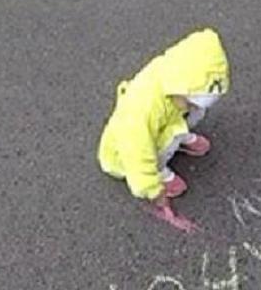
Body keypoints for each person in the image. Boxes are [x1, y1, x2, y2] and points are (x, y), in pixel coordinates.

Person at [98, 28, 230, 232]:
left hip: (163, 122)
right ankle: (161, 170)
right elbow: (136, 155)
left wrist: (189, 109)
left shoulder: (172, 76)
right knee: (151, 146)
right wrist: (154, 190)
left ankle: (178, 136)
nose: (192, 106)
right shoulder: (139, 114)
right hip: (124, 155)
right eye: (190, 102)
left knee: (187, 115)